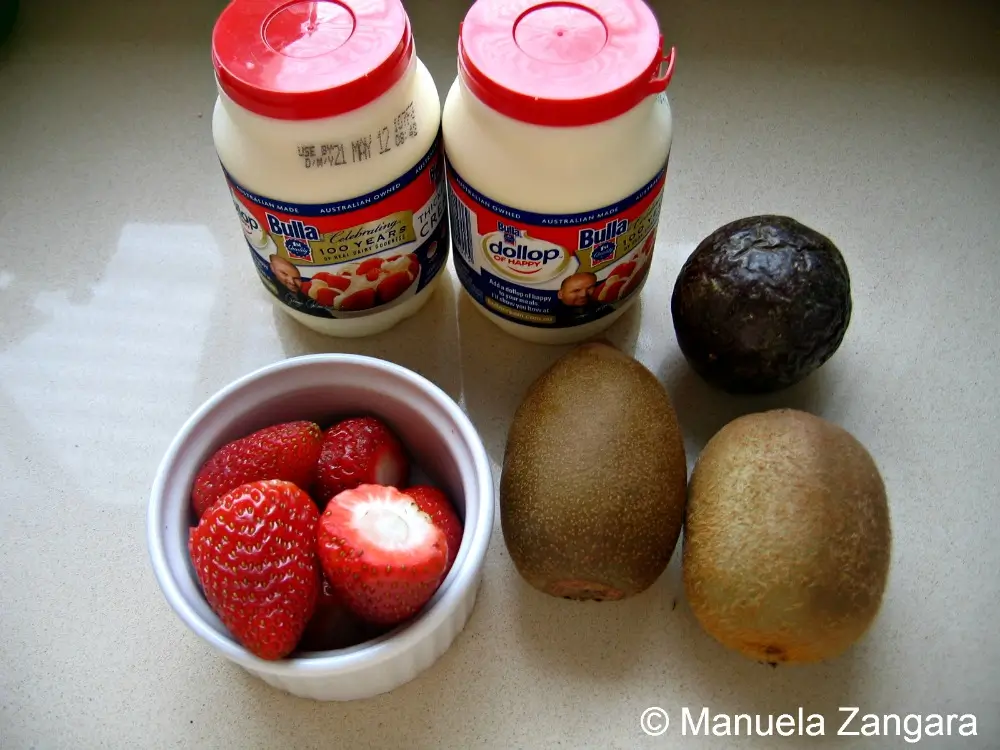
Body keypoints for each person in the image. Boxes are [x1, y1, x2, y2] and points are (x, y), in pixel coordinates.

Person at [267, 254, 333, 318]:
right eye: (284, 274)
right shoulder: (275, 286)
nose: (291, 282)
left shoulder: (304, 295)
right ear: (272, 268)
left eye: (296, 278)